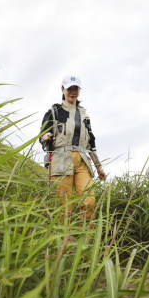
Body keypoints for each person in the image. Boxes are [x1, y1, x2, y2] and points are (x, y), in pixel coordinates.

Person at [40, 75, 106, 221]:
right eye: (69, 88)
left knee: (89, 201)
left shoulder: (84, 116)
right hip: (61, 159)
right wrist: (46, 137)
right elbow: (42, 135)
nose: (73, 92)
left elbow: (91, 144)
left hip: (82, 159)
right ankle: (63, 240)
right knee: (64, 204)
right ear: (62, 89)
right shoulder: (54, 112)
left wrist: (99, 167)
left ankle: (87, 239)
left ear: (79, 91)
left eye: (76, 88)